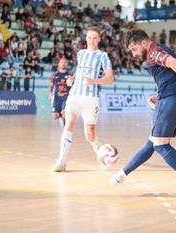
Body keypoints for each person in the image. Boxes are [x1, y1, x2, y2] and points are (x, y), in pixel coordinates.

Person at [109, 29, 176, 199]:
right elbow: (173, 73)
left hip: (171, 100)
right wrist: (160, 96)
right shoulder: (163, 49)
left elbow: (175, 65)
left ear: (145, 44)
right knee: (153, 142)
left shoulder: (153, 52)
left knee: (161, 145)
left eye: (134, 49)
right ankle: (122, 174)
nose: (133, 54)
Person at [51, 26, 114, 172]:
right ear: (86, 38)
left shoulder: (103, 56)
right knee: (69, 124)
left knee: (89, 135)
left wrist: (93, 81)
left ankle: (98, 148)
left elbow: (109, 79)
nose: (91, 40)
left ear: (99, 39)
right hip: (74, 96)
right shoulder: (80, 53)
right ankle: (61, 161)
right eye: (89, 37)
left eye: (95, 38)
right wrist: (71, 79)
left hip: (91, 100)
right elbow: (80, 71)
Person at [49, 58, 73, 127]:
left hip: (66, 97)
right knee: (54, 116)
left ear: (67, 65)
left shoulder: (70, 75)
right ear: (59, 64)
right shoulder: (54, 75)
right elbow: (51, 85)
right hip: (57, 97)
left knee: (65, 111)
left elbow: (73, 86)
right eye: (61, 62)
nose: (63, 64)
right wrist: (50, 93)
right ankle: (61, 116)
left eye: (65, 62)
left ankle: (66, 128)